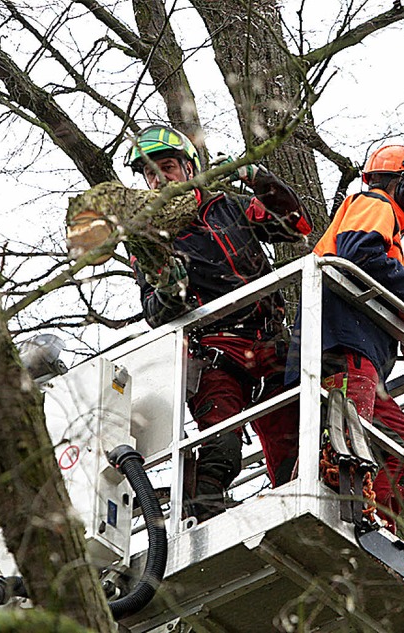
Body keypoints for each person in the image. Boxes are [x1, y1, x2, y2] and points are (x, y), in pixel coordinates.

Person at [125, 124, 313, 522]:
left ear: (190, 168)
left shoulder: (228, 206)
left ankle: (299, 508)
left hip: (268, 339)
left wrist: (258, 179)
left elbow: (295, 226)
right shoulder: (148, 240)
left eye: (168, 167)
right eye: (150, 173)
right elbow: (154, 313)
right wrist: (169, 292)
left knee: (296, 437)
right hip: (215, 353)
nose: (160, 179)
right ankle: (201, 515)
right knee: (220, 446)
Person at [286, 144, 404, 533]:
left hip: (362, 356)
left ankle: (370, 517)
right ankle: (340, 510)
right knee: (341, 441)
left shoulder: (382, 222)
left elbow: (369, 273)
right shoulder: (375, 203)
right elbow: (360, 254)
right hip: (343, 346)